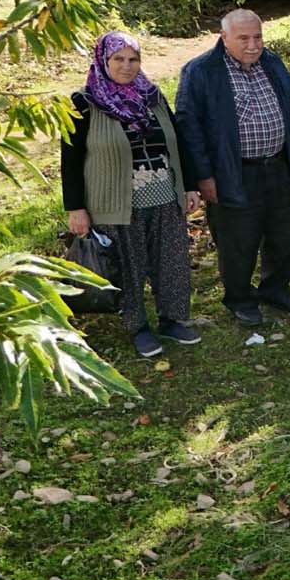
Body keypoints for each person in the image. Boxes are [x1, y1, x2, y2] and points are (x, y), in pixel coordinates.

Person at [61, 31, 201, 356]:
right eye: (118, 59)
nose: (127, 66)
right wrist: (76, 208)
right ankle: (138, 327)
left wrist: (189, 185)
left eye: (133, 59)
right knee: (129, 265)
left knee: (171, 262)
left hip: (164, 196)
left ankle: (173, 319)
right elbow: (70, 159)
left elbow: (176, 142)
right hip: (115, 203)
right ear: (103, 60)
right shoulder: (83, 103)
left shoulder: (152, 96)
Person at [174, 9, 290, 327]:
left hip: (276, 166)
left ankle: (276, 289)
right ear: (224, 37)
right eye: (243, 38)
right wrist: (203, 176)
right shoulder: (202, 71)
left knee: (283, 236)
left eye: (257, 37)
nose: (252, 45)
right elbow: (188, 127)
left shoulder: (271, 63)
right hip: (232, 172)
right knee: (237, 242)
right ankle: (240, 299)